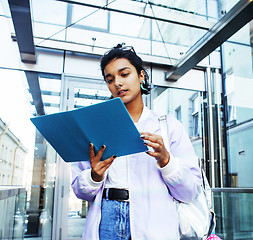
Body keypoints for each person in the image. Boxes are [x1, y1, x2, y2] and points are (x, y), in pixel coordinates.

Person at [71, 44, 202, 240]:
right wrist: (94, 177)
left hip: (155, 224)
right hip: (105, 220)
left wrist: (167, 161)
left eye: (124, 74)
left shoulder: (168, 127)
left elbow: (190, 192)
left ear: (141, 76)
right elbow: (79, 191)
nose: (117, 83)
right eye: (110, 79)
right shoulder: (96, 128)